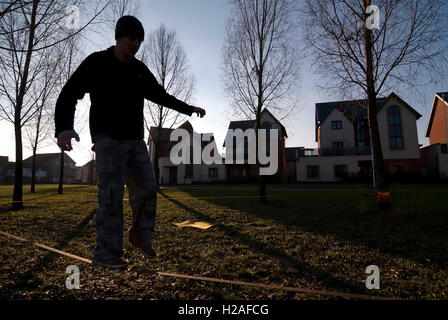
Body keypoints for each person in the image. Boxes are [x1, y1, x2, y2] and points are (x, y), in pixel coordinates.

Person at [54, 16, 206, 269]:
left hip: (135, 141)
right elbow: (69, 93)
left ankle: (140, 234)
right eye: (132, 39)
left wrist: (188, 109)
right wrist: (64, 128)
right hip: (107, 141)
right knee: (111, 196)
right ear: (119, 37)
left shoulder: (139, 70)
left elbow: (160, 95)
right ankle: (106, 251)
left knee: (147, 188)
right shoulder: (97, 62)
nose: (136, 45)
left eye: (139, 41)